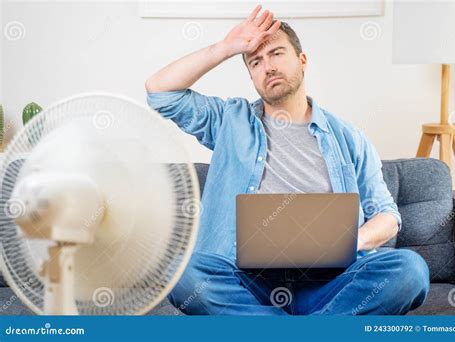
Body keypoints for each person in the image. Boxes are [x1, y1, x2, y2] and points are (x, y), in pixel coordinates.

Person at [145, 5, 429, 315]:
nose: (267, 66)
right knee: (181, 271)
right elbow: (160, 92)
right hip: (246, 284)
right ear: (251, 76)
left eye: (277, 54)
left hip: (329, 285)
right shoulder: (229, 121)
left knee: (410, 270)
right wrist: (224, 48)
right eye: (256, 61)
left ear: (302, 60)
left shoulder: (349, 138)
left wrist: (350, 240)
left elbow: (387, 215)